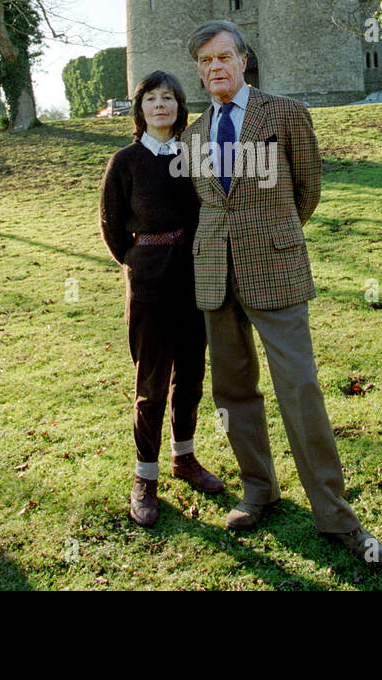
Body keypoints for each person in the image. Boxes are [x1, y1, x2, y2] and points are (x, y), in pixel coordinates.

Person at [180, 20, 382, 570]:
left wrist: (273, 237)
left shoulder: (286, 113)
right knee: (232, 393)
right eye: (204, 61)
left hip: (275, 271)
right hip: (214, 277)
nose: (214, 68)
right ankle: (259, 488)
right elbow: (204, 204)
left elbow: (308, 189)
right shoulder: (194, 134)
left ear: (243, 60)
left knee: (299, 389)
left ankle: (335, 513)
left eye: (223, 56)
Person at [99, 70, 225, 527]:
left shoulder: (195, 157)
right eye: (151, 98)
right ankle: (145, 478)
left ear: (179, 106)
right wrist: (140, 261)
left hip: (194, 279)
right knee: (150, 384)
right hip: (150, 283)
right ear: (139, 109)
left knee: (190, 375)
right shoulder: (125, 161)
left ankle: (184, 458)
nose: (160, 105)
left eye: (168, 98)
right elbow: (112, 229)